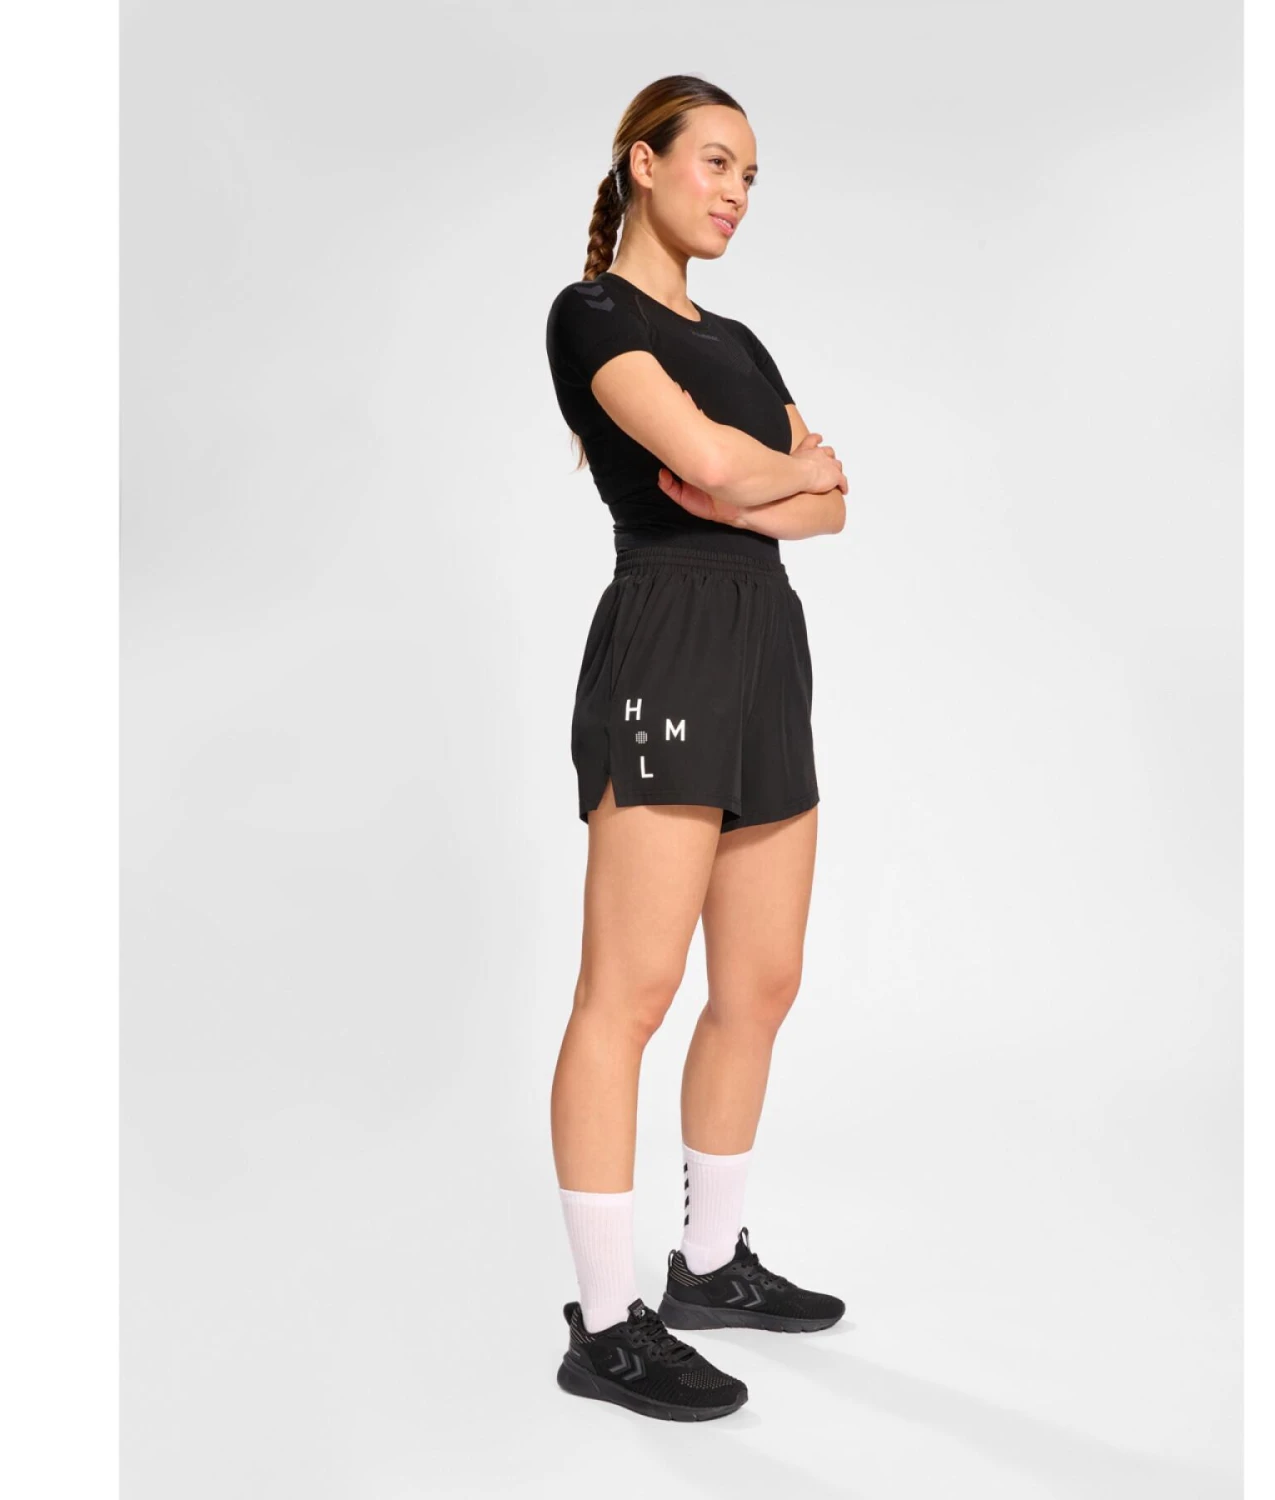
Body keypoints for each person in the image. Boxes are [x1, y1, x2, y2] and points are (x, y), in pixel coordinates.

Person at [544, 75, 850, 1423]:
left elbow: (830, 506)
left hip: (765, 646)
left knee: (762, 984)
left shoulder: (738, 339)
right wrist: (769, 474)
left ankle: (711, 1267)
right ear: (644, 162)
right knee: (631, 990)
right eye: (716, 162)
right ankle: (607, 1325)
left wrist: (765, 481)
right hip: (667, 637)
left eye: (751, 176)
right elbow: (722, 472)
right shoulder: (593, 315)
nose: (735, 192)